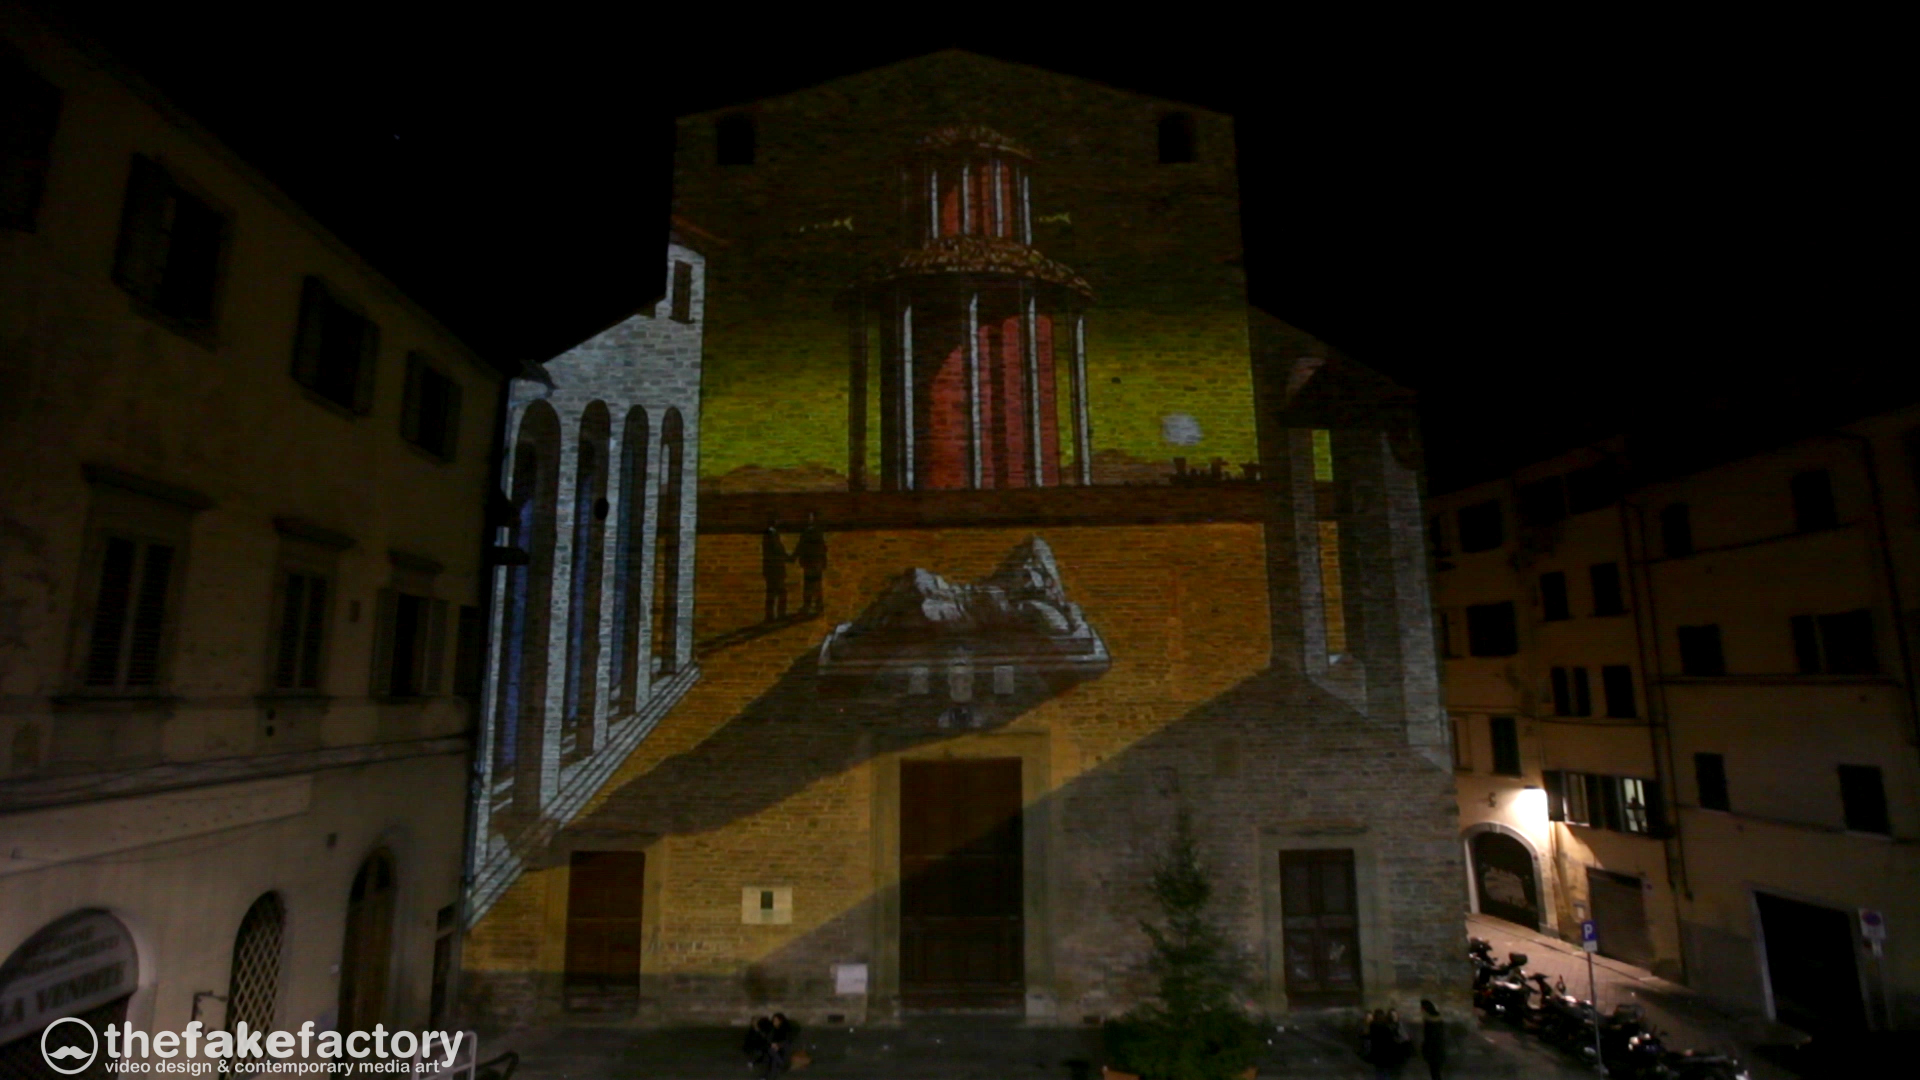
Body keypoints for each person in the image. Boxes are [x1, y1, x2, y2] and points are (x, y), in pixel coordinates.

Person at [793, 511, 828, 614]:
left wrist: (794, 556)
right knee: (814, 584)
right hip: (814, 562)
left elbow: (801, 546)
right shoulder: (815, 532)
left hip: (812, 561)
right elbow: (822, 548)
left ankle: (811, 605)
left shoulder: (808, 532)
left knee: (811, 584)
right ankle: (815, 604)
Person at [761, 521, 789, 622]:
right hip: (776, 569)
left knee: (771, 593)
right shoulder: (772, 535)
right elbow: (778, 551)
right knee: (780, 592)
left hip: (770, 569)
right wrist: (788, 557)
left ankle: (770, 615)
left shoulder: (768, 535)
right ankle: (780, 614)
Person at [1419, 999, 1446, 1080]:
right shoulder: (1438, 1019)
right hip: (1439, 1049)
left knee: (1434, 1072)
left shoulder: (1428, 1021)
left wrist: (1425, 1050)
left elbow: (1428, 1038)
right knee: (1436, 1072)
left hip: (1432, 1050)